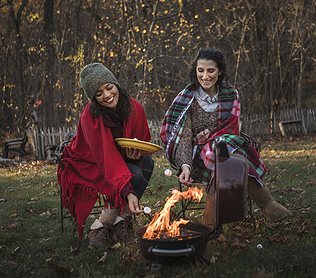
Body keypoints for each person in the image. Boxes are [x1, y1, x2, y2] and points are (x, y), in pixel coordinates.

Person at [160, 48, 289, 227]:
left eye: (210, 71)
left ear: (219, 71)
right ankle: (266, 203)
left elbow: (232, 128)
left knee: (223, 154)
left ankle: (210, 225)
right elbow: (183, 138)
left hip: (226, 148)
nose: (205, 76)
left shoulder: (231, 94)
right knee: (224, 158)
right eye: (200, 70)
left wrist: (212, 135)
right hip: (197, 156)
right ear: (195, 70)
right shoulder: (186, 98)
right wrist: (185, 166)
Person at [57, 63, 154, 247]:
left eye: (109, 88)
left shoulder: (134, 107)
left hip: (116, 159)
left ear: (115, 84)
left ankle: (121, 221)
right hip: (89, 162)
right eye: (99, 94)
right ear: (93, 98)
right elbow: (104, 157)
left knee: (147, 163)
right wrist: (128, 192)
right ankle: (102, 225)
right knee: (135, 174)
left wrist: (136, 153)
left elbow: (143, 142)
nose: (107, 96)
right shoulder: (90, 117)